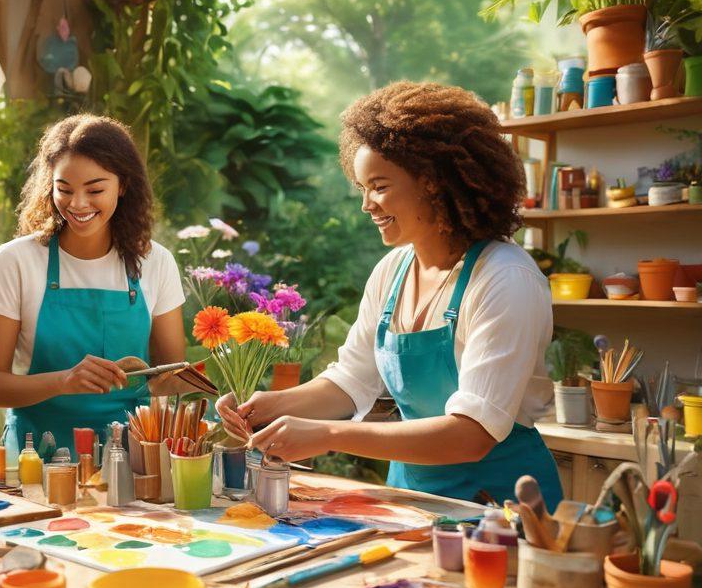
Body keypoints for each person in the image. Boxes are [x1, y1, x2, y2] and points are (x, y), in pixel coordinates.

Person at [218, 82, 563, 510]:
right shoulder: (393, 271)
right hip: (410, 500)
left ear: (435, 183)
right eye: (362, 188)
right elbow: (351, 382)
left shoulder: (505, 278)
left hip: (503, 512)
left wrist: (326, 436)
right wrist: (270, 406)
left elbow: (471, 434)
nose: (367, 205)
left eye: (379, 186)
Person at [0, 115, 187, 457]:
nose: (78, 204)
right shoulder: (16, 260)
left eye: (95, 190)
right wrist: (64, 381)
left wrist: (220, 381)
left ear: (124, 185)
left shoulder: (156, 263)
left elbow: (172, 375)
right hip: (35, 454)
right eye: (65, 189)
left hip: (130, 458)